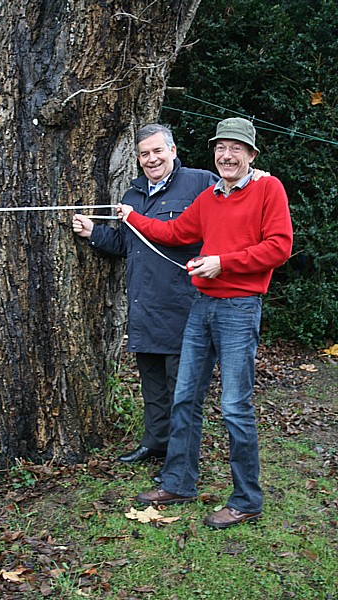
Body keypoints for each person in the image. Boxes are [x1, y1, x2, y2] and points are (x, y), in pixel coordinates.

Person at [117, 117, 293, 528]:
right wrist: (131, 217)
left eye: (236, 149)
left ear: (251, 155)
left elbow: (280, 246)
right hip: (202, 306)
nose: (227, 156)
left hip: (239, 308)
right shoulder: (210, 196)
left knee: (234, 406)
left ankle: (247, 499)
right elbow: (175, 231)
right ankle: (179, 481)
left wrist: (223, 263)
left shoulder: (269, 188)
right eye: (221, 148)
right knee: (184, 397)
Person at [72, 124, 219, 468]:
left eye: (157, 151)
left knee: (181, 393)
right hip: (144, 310)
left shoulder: (200, 182)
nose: (151, 159)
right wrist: (94, 233)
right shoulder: (132, 197)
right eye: (144, 154)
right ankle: (155, 444)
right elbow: (127, 245)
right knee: (153, 389)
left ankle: (180, 461)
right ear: (138, 159)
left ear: (173, 149)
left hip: (184, 308)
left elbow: (230, 210)